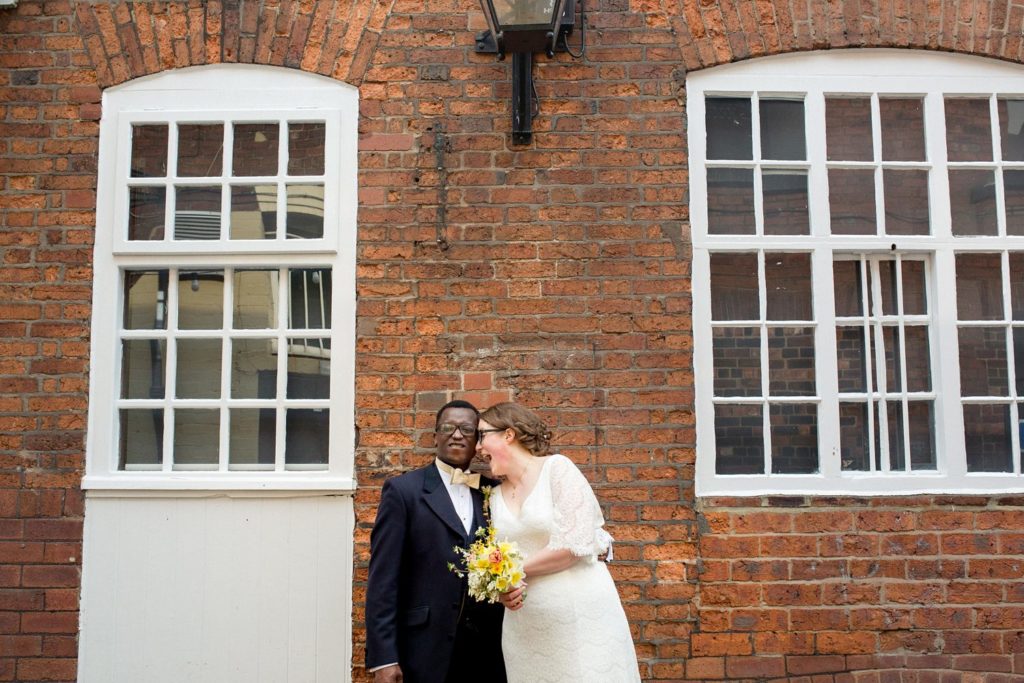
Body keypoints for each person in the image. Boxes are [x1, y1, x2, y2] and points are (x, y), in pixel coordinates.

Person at [476, 402, 640, 683]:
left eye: (482, 436)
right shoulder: (493, 497)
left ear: (508, 434)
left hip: (581, 618)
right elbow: (499, 559)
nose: (478, 447)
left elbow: (573, 546)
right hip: (525, 629)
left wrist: (512, 573)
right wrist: (501, 589)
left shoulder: (557, 469)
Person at [365, 400, 507, 683]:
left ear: (477, 441)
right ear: (435, 436)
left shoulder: (494, 492)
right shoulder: (403, 491)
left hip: (487, 650)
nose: (457, 435)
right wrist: (384, 658)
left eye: (467, 429)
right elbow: (383, 580)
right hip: (424, 649)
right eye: (448, 427)